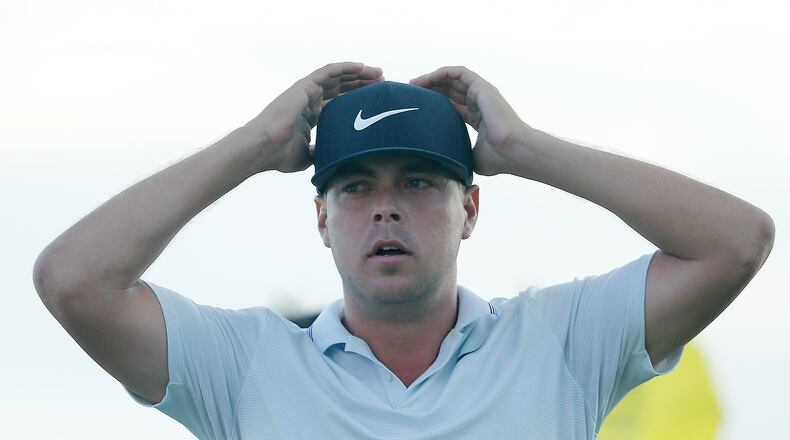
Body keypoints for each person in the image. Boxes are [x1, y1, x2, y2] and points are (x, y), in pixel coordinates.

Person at [32, 61, 775, 439]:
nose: (385, 204)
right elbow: (73, 280)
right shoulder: (245, 364)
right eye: (355, 188)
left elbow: (737, 242)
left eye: (419, 181)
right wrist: (256, 144)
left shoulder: (560, 341)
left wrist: (523, 147)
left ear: (471, 209)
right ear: (321, 219)